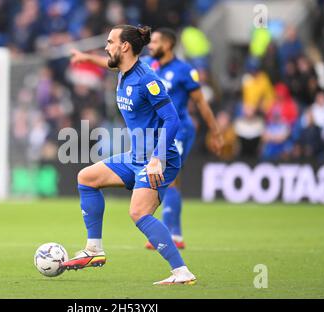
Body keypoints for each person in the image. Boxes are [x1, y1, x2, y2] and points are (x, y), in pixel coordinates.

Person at [62, 25, 198, 285]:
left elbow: (172, 120)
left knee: (138, 212)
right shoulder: (124, 68)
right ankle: (94, 250)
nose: (106, 46)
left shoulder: (147, 78)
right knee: (86, 177)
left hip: (159, 157)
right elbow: (108, 63)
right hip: (136, 154)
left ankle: (182, 272)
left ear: (125, 46)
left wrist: (157, 158)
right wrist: (86, 58)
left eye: (110, 41)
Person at [70, 28, 223, 250]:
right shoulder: (145, 64)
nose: (152, 46)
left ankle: (172, 233)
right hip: (150, 135)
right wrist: (87, 58)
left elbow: (199, 102)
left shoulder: (184, 71)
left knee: (169, 177)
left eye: (157, 42)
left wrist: (215, 130)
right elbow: (113, 62)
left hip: (177, 129)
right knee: (166, 181)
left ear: (169, 44)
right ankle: (166, 230)